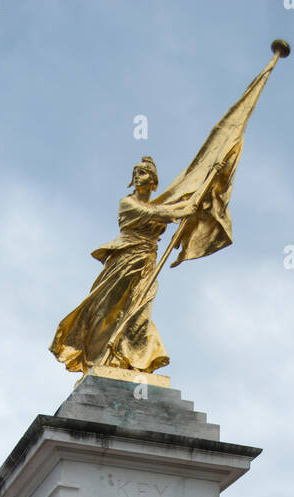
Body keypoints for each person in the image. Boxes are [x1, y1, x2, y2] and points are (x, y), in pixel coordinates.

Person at [49, 157, 194, 374]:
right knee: (106, 311)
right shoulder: (127, 203)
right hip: (124, 262)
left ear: (154, 181)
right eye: (136, 172)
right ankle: (96, 362)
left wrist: (194, 203)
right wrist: (185, 209)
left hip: (146, 266)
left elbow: (166, 213)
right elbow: (156, 214)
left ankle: (130, 361)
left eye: (144, 172)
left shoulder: (158, 206)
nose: (138, 176)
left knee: (139, 313)